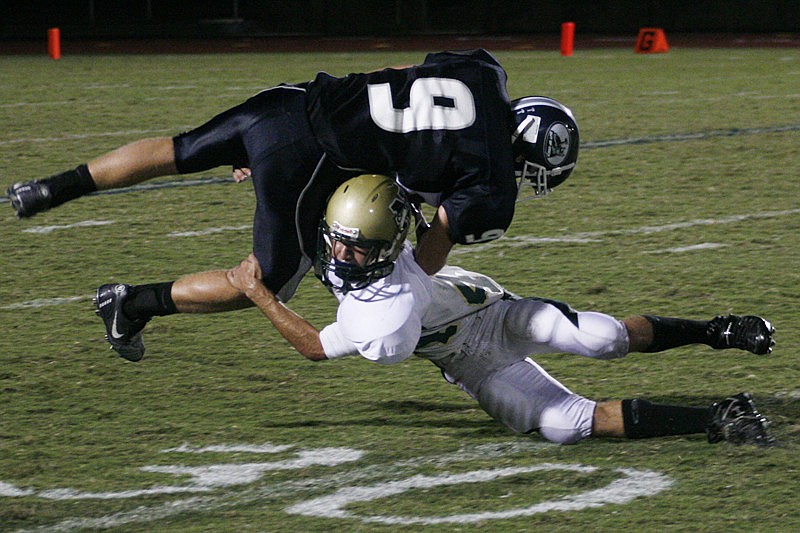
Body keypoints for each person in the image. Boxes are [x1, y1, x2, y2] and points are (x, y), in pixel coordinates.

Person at [7, 49, 580, 361]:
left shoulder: (481, 70)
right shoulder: (489, 189)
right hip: (309, 157)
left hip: (294, 100)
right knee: (271, 278)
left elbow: (403, 100)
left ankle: (50, 188)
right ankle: (131, 304)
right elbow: (424, 262)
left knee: (177, 151)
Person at [225, 174, 776, 446]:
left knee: (601, 339)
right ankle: (714, 419)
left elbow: (316, 345)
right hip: (470, 363)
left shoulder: (391, 303)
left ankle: (718, 330)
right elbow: (316, 175)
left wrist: (260, 293)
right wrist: (260, 168)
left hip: (493, 316)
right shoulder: (351, 228)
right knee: (565, 424)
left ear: (391, 246)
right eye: (338, 241)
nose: (343, 255)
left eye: (358, 247)